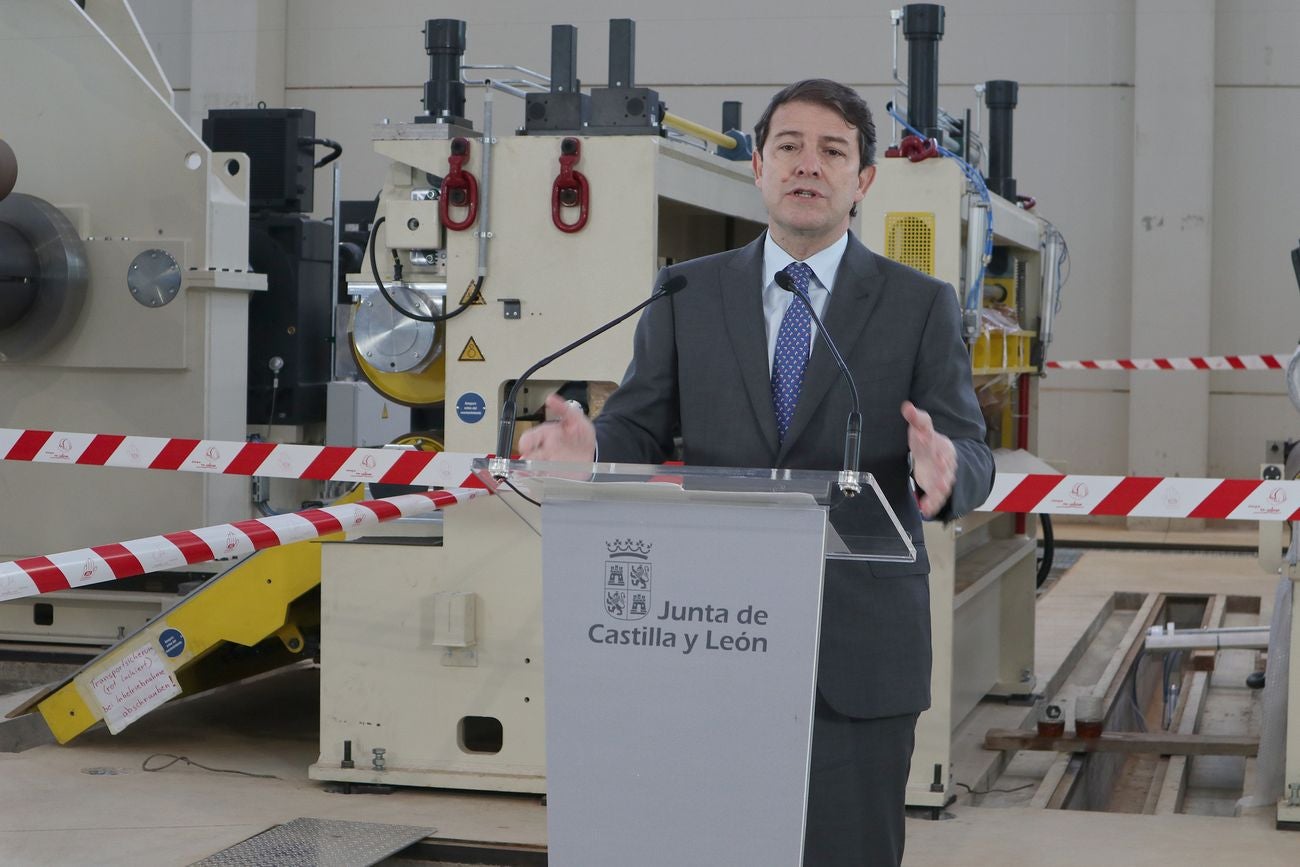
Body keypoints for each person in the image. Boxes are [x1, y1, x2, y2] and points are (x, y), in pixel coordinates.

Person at [520, 78, 994, 867]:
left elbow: (969, 451)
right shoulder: (687, 292)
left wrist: (942, 469)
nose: (808, 165)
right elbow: (639, 421)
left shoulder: (920, 304)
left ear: (864, 180)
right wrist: (592, 450)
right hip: (714, 638)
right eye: (789, 147)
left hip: (859, 652)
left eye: (832, 151)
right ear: (758, 167)